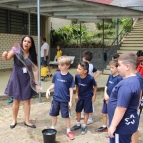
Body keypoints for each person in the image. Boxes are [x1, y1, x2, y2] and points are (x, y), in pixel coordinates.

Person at [2, 35, 38, 129]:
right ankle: (14, 120)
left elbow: (35, 69)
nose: (26, 43)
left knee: (27, 100)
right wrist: (4, 55)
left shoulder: (33, 54)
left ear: (31, 45)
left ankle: (27, 120)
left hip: (27, 78)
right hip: (17, 76)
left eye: (29, 42)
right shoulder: (16, 49)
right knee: (16, 100)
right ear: (22, 42)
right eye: (25, 41)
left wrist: (36, 83)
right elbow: (6, 59)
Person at [107, 53, 141, 143]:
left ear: (127, 66)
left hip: (120, 128)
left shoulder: (126, 85)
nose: (118, 68)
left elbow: (121, 108)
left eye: (119, 65)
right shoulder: (136, 80)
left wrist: (113, 126)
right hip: (127, 124)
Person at [46, 56, 75, 140]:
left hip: (65, 101)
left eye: (62, 65)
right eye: (59, 64)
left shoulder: (70, 77)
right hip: (55, 99)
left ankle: (69, 131)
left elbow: (71, 90)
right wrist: (48, 89)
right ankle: (53, 127)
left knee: (66, 116)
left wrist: (70, 101)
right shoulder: (56, 75)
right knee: (53, 114)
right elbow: (54, 85)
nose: (60, 66)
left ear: (67, 66)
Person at [71, 61, 97, 135]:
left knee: (86, 112)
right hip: (80, 96)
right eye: (77, 68)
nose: (77, 70)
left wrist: (94, 95)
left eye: (79, 69)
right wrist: (76, 95)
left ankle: (84, 125)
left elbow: (95, 86)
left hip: (88, 97)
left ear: (85, 71)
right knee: (78, 110)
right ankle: (78, 124)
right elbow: (77, 86)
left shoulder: (90, 78)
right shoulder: (77, 76)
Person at [97, 59, 122, 132]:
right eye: (110, 67)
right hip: (106, 98)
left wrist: (110, 99)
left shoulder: (119, 78)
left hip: (113, 100)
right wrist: (105, 94)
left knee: (112, 116)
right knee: (104, 113)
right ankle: (105, 127)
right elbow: (106, 86)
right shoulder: (110, 76)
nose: (111, 69)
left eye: (112, 68)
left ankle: (112, 129)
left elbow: (118, 91)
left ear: (117, 68)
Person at [82, 50, 100, 124]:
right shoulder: (91, 65)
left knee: (89, 101)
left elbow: (98, 72)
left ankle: (91, 117)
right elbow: (98, 72)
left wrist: (92, 79)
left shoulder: (88, 66)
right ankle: (84, 113)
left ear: (84, 58)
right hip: (84, 85)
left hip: (88, 86)